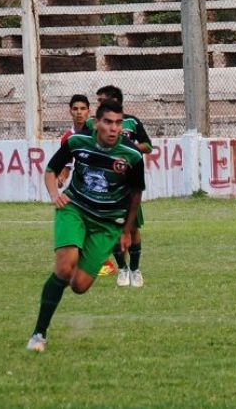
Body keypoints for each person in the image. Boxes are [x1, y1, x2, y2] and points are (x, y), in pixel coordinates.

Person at [26, 99, 145, 352]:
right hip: (75, 209)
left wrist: (126, 231)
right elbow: (51, 170)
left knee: (79, 286)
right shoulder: (77, 142)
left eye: (118, 123)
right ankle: (39, 334)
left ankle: (80, 257)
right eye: (108, 122)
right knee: (64, 267)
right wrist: (53, 194)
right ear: (97, 123)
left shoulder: (132, 155)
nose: (114, 128)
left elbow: (135, 195)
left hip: (106, 224)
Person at [94, 85, 152, 288]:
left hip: (129, 182)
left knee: (133, 227)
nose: (98, 104)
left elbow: (148, 145)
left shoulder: (132, 122)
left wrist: (129, 148)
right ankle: (122, 268)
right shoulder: (98, 124)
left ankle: (135, 269)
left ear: (116, 101)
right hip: (107, 182)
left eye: (101, 100)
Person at [57, 94, 117, 277]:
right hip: (82, 188)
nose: (79, 112)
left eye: (82, 109)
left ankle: (108, 263)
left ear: (88, 111)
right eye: (75, 109)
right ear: (70, 112)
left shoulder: (96, 130)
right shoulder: (67, 138)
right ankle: (102, 263)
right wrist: (61, 176)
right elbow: (67, 165)